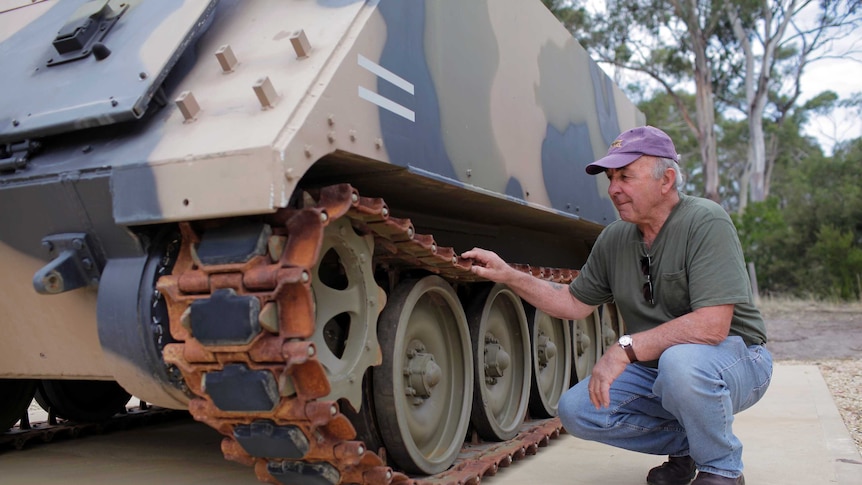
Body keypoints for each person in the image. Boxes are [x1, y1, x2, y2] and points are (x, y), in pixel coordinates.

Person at [462, 126, 771, 485]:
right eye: (610, 178)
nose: (613, 189)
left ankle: (722, 468)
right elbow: (573, 302)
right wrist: (509, 275)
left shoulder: (705, 221)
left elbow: (712, 325)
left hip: (737, 357)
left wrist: (625, 349)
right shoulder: (615, 238)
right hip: (663, 367)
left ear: (666, 180)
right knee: (578, 410)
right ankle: (691, 448)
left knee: (679, 364)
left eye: (625, 176)